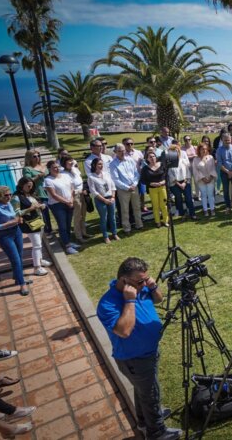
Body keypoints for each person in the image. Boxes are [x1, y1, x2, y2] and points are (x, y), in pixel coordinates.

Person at [97, 257, 181, 440]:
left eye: (146, 279)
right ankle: (156, 432)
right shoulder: (108, 303)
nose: (144, 283)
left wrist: (152, 286)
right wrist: (129, 301)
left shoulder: (141, 288)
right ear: (124, 280)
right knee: (151, 394)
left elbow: (159, 300)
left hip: (148, 353)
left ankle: (144, 422)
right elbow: (124, 331)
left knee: (142, 390)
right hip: (135, 358)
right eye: (140, 281)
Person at [0, 186, 31, 294]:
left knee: (19, 257)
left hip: (16, 232)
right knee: (16, 260)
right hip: (5, 236)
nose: (9, 196)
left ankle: (18, 278)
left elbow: (14, 216)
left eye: (10, 194)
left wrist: (18, 219)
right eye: (6, 195)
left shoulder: (9, 204)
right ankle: (22, 284)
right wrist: (9, 223)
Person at [12, 177, 50, 276]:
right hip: (29, 224)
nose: (30, 187)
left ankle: (40, 261)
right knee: (37, 245)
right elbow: (16, 213)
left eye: (31, 185)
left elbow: (37, 205)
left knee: (39, 244)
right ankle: (37, 268)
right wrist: (30, 208)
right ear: (21, 185)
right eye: (28, 185)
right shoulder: (16, 197)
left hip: (38, 221)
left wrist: (42, 206)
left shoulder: (31, 194)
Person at [44, 160, 78, 254]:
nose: (56, 169)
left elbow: (71, 188)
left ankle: (68, 241)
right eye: (54, 167)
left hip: (69, 202)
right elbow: (54, 195)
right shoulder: (48, 180)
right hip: (57, 205)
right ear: (49, 169)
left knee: (68, 224)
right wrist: (67, 201)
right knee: (62, 225)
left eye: (57, 167)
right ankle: (67, 246)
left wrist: (71, 199)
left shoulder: (65, 176)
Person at [111, 143, 144, 234]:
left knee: (137, 206)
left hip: (134, 187)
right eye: (119, 151)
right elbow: (115, 179)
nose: (122, 152)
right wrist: (127, 187)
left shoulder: (130, 160)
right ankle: (127, 228)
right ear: (115, 152)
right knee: (124, 209)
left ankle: (139, 224)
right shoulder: (113, 164)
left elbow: (136, 173)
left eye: (123, 150)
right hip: (123, 190)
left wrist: (134, 184)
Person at [87, 158, 119, 244]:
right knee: (103, 218)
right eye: (99, 164)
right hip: (100, 200)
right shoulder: (91, 177)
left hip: (111, 198)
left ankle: (114, 233)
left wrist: (113, 197)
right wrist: (104, 200)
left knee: (112, 217)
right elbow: (94, 192)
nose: (101, 166)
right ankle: (105, 236)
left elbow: (113, 186)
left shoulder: (106, 174)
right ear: (94, 165)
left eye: (101, 164)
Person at [22, 149, 52, 234]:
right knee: (43, 213)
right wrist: (39, 176)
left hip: (49, 191)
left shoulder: (43, 166)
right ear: (29, 158)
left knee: (51, 212)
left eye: (38, 156)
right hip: (38, 193)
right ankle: (45, 231)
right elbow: (28, 181)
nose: (37, 158)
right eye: (34, 156)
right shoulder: (27, 169)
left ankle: (49, 230)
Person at [140, 150, 169, 227]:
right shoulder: (145, 169)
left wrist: (163, 181)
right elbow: (142, 180)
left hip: (162, 187)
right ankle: (157, 221)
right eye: (150, 157)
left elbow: (167, 175)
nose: (152, 158)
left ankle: (165, 221)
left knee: (164, 205)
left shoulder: (162, 165)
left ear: (156, 157)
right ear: (147, 159)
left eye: (153, 156)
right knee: (155, 206)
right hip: (152, 189)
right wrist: (151, 183)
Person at [167, 144, 197, 220]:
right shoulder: (169, 163)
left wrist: (184, 182)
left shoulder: (183, 161)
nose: (176, 152)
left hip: (185, 182)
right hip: (174, 184)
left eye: (177, 151)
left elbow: (188, 172)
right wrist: (178, 184)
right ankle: (182, 214)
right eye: (174, 151)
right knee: (178, 199)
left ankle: (192, 214)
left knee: (189, 199)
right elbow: (170, 175)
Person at [216, 134, 232, 213]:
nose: (227, 142)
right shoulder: (219, 150)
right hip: (224, 172)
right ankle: (228, 207)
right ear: (222, 140)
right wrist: (227, 172)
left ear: (231, 139)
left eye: (228, 140)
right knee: (225, 191)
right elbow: (219, 163)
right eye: (225, 140)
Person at [193, 144, 217, 217]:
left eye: (205, 149)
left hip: (210, 179)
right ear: (199, 150)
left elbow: (213, 168)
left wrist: (210, 178)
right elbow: (195, 171)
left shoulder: (210, 157)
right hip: (201, 180)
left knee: (210, 195)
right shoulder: (196, 159)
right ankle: (205, 210)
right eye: (202, 149)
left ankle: (212, 209)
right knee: (203, 195)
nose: (204, 150)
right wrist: (203, 178)